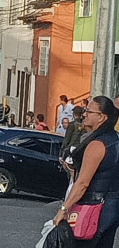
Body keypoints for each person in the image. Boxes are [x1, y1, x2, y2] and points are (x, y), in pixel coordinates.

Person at [53, 96, 119, 247]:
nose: (84, 114)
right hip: (112, 208)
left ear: (101, 117)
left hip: (94, 207)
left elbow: (83, 183)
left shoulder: (97, 144)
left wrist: (63, 209)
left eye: (89, 111)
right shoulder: (115, 139)